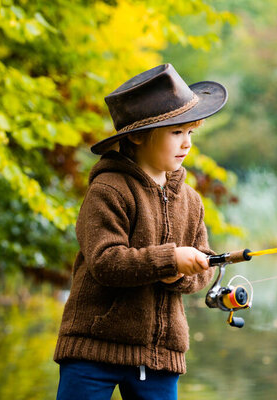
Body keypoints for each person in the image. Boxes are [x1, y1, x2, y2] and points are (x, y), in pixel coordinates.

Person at [54, 63, 228, 400]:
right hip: (93, 350)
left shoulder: (191, 201)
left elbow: (201, 269)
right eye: (176, 133)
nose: (187, 144)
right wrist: (169, 260)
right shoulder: (108, 189)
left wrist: (177, 273)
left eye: (190, 133)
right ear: (136, 136)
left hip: (161, 355)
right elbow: (105, 261)